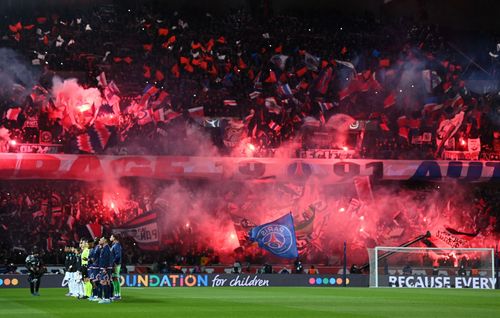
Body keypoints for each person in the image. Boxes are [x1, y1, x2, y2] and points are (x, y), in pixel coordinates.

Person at [97, 237, 113, 304]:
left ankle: (106, 298)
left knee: (104, 282)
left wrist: (104, 268)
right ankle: (108, 297)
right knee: (105, 282)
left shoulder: (106, 248)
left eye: (101, 239)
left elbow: (106, 259)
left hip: (105, 268)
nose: (100, 240)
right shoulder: (104, 248)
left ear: (105, 241)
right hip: (104, 268)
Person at [110, 234, 122, 300]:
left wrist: (113, 262)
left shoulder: (117, 245)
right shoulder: (114, 245)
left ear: (114, 238)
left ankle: (118, 295)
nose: (110, 238)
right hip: (114, 264)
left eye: (111, 237)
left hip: (116, 264)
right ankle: (116, 294)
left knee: (116, 279)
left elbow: (118, 255)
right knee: (114, 279)